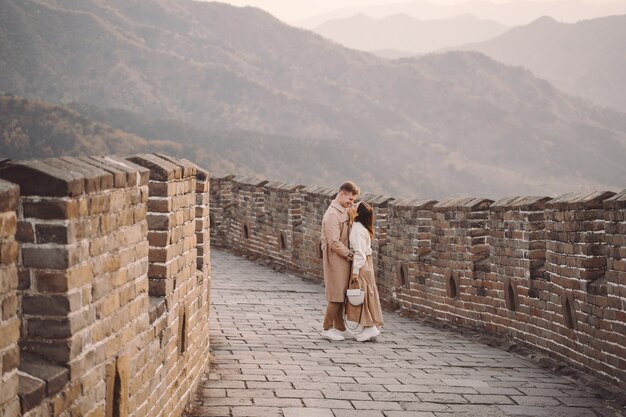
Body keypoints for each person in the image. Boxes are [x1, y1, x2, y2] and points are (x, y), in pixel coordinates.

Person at [321, 181, 360, 341]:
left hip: (343, 260)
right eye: (350, 199)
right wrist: (351, 255)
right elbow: (334, 242)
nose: (351, 202)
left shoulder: (343, 211)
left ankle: (340, 327)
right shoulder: (332, 215)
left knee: (341, 295)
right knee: (335, 295)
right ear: (341, 193)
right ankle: (327, 328)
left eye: (353, 200)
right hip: (336, 260)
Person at [346, 201, 384, 342]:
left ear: (358, 213)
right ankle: (366, 326)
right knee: (366, 294)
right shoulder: (361, 227)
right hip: (367, 264)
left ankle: (369, 327)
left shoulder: (357, 228)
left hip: (361, 265)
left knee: (362, 296)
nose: (352, 206)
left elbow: (359, 253)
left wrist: (355, 271)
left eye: (355, 206)